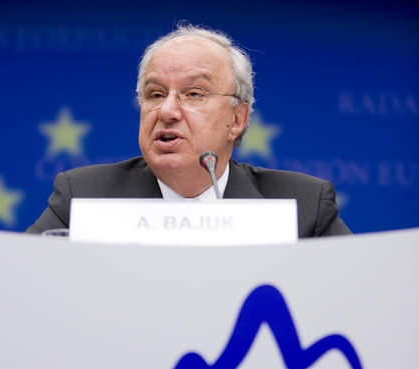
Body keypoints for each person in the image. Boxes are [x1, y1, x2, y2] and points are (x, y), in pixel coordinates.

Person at [26, 23, 351, 237]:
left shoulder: (304, 207)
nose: (167, 111)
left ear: (237, 120)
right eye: (155, 94)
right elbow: (17, 282)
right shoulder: (83, 197)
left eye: (194, 94)